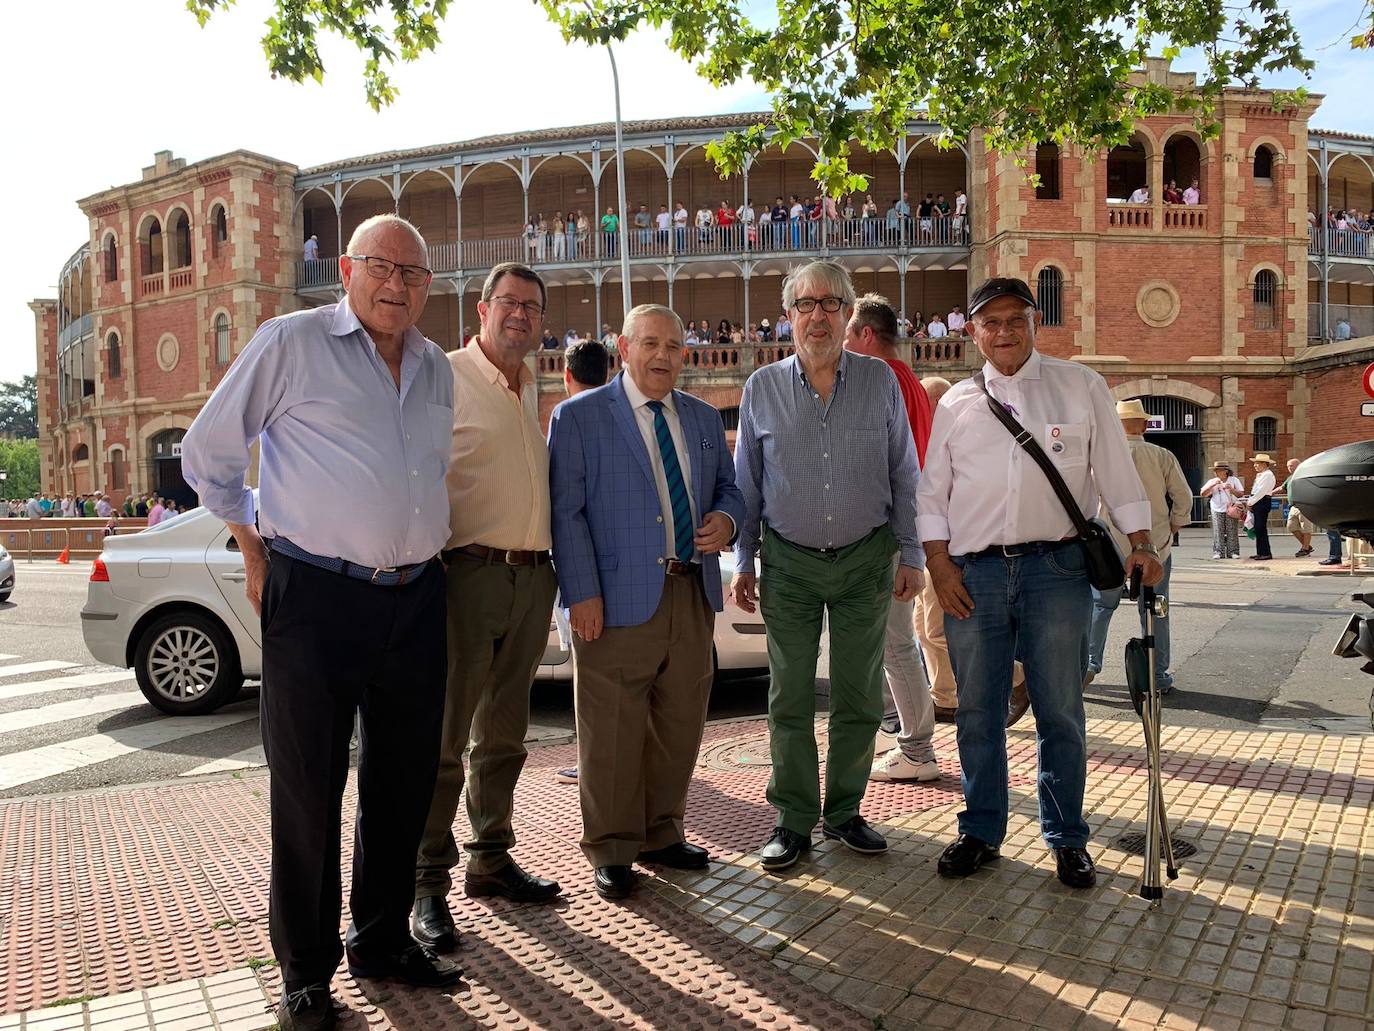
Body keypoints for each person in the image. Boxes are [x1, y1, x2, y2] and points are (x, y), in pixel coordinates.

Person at [181, 214, 459, 1031]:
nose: (397, 285)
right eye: (382, 266)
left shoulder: (438, 366)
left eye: (413, 273)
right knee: (308, 788)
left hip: (417, 595)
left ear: (427, 287)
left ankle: (380, 941)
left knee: (403, 782)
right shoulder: (289, 341)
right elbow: (209, 455)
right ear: (347, 267)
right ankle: (305, 971)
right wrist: (252, 542)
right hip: (316, 595)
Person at [917, 276, 1162, 891]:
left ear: (1034, 323)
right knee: (976, 710)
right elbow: (931, 493)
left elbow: (1114, 469)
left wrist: (1140, 542)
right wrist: (939, 565)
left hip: (1057, 570)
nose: (1003, 333)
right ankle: (980, 828)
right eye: (989, 323)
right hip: (975, 574)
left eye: (1014, 320)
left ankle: (1067, 838)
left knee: (1060, 709)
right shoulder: (955, 404)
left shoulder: (1080, 387)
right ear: (972, 331)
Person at [733, 260, 923, 873]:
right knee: (788, 695)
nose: (818, 315)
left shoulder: (881, 381)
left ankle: (843, 813)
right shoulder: (761, 388)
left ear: (847, 314)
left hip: (867, 559)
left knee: (859, 694)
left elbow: (903, 471)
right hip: (787, 562)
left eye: (831, 304)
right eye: (805, 305)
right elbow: (748, 485)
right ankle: (792, 819)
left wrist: (912, 553)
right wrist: (744, 562)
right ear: (788, 316)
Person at [549, 304, 744, 900]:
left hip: (691, 592)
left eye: (674, 346)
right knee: (610, 728)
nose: (663, 356)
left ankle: (663, 832)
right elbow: (566, 512)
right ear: (624, 347)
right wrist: (581, 593)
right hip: (612, 599)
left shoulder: (705, 419)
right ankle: (610, 846)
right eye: (650, 343)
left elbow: (730, 488)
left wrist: (727, 522)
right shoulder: (579, 417)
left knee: (680, 723)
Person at [412, 262, 563, 956]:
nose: (521, 316)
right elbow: (415, 473)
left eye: (532, 307)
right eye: (510, 303)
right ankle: (425, 884)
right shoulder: (444, 374)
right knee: (444, 741)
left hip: (532, 579)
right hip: (466, 574)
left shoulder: (530, 383)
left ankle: (491, 857)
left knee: (504, 735)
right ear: (481, 308)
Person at [842, 294, 939, 783]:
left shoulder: (884, 379)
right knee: (892, 640)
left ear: (864, 336)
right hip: (903, 523)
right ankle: (901, 729)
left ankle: (918, 747)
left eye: (846, 333)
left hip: (890, 528)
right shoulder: (910, 381)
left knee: (896, 641)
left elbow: (886, 460)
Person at [915, 376, 1030, 726]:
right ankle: (946, 697)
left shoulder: (956, 438)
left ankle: (1017, 676)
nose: (924, 408)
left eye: (929, 401)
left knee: (937, 629)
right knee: (922, 629)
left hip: (950, 550)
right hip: (927, 550)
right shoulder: (927, 439)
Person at [1084, 400, 1191, 694]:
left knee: (1100, 605)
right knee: (1155, 609)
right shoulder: (1162, 455)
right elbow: (1183, 497)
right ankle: (1158, 674)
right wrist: (1173, 525)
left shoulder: (1101, 458)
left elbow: (1087, 500)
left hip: (1107, 545)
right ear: (1144, 425)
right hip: (1154, 543)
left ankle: (1089, 665)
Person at [550, 337, 615, 784]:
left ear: (566, 375)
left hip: (582, 567)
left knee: (589, 677)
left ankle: (592, 760)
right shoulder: (622, 413)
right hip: (626, 567)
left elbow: (562, 501)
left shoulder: (567, 415)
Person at [1200, 461, 1244, 559]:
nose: (1216, 473)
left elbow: (1241, 494)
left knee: (1232, 529)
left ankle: (1233, 551)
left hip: (1230, 508)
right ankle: (1218, 551)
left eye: (1218, 470)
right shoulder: (1212, 481)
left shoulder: (1234, 480)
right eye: (1215, 471)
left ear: (1225, 471)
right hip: (1216, 508)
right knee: (1218, 530)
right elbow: (1202, 493)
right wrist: (1212, 486)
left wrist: (1231, 489)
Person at [1247, 453, 1277, 560]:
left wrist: (1251, 502)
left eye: (1257, 463)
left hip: (1261, 501)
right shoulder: (1262, 475)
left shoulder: (1267, 475)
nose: (1255, 465)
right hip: (1258, 501)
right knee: (1259, 528)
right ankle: (1260, 552)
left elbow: (1261, 491)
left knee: (1261, 527)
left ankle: (1265, 552)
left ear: (1264, 464)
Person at [1283, 458, 1316, 556]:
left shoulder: (1305, 475)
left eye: (1291, 466)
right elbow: (1282, 487)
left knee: (1306, 528)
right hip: (1293, 506)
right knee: (1291, 526)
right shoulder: (1289, 478)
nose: (1289, 468)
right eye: (1288, 466)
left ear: (1298, 465)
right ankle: (1307, 546)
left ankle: (1305, 548)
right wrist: (1269, 493)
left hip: (1304, 505)